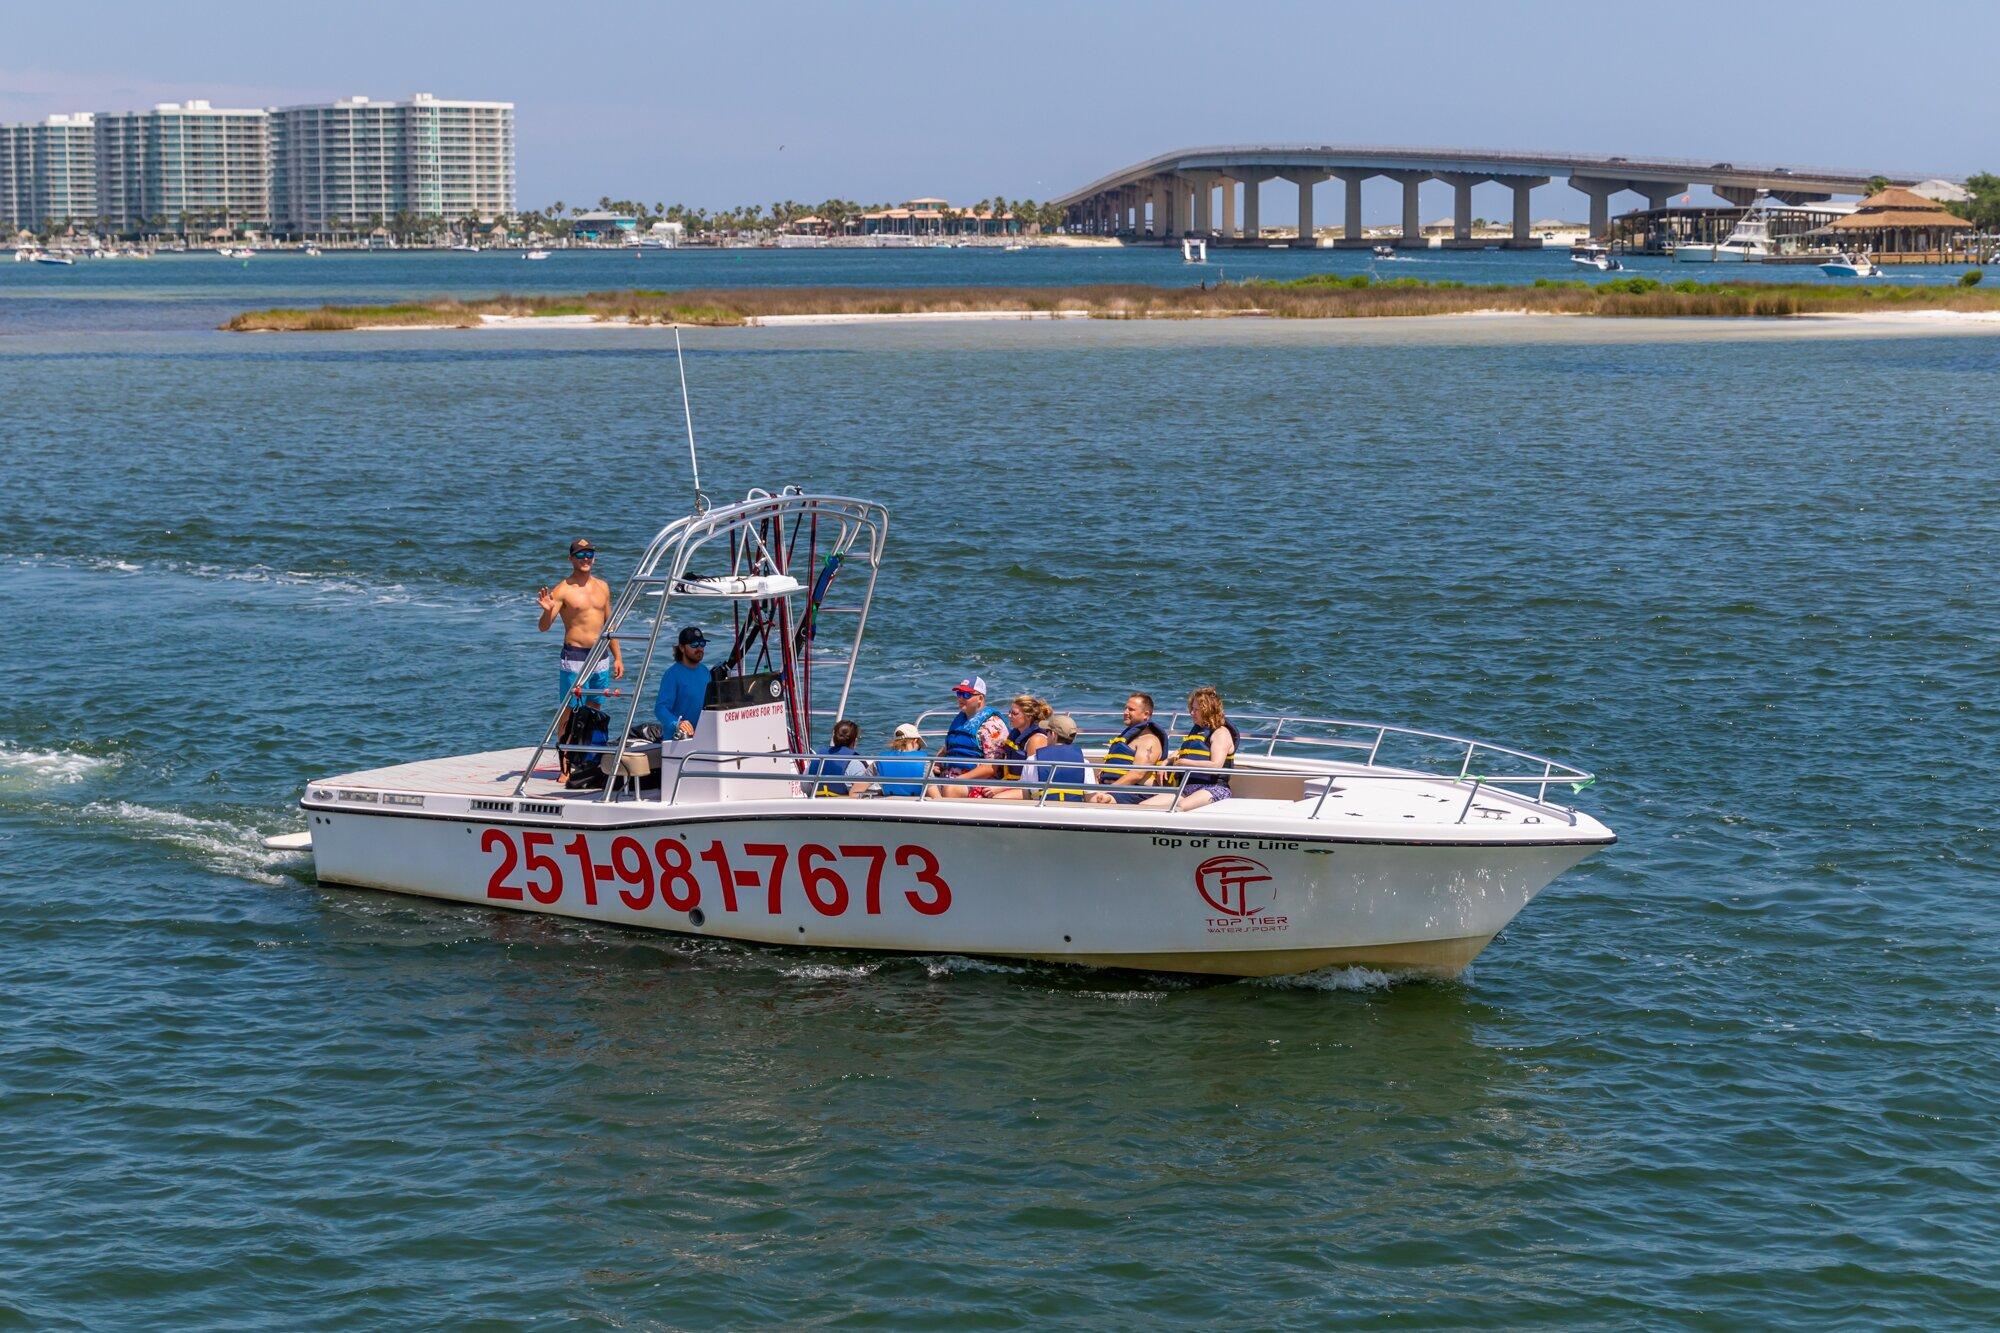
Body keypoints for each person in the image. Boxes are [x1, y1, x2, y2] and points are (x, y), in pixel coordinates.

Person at [537, 538, 623, 779]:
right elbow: (543, 627)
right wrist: (546, 611)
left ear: (594, 558)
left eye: (589, 554)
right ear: (571, 558)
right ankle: (565, 767)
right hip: (574, 656)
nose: (585, 559)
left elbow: (611, 624)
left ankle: (586, 761)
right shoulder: (562, 589)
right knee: (570, 711)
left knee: (594, 709)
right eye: (580, 555)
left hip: (600, 657)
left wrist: (618, 656)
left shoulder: (603, 587)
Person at [1139, 687, 1238, 810]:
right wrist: (1166, 762)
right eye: (1192, 709)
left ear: (1207, 710)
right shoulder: (1197, 732)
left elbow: (1216, 765)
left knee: (1180, 806)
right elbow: (1182, 752)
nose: (1191, 713)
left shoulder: (1220, 733)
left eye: (1196, 710)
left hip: (1214, 788)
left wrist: (1184, 763)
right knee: (1144, 806)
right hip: (1188, 787)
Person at [1088, 692, 1168, 805]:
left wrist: (1106, 791)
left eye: (1131, 709)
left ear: (1146, 714)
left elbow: (1137, 774)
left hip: (1134, 792)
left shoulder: (1149, 741)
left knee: (1096, 800)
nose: (1125, 712)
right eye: (1125, 708)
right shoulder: (1127, 738)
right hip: (1114, 790)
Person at [934, 675, 1007, 799]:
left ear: (980, 698)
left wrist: (959, 779)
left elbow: (991, 768)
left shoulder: (993, 726)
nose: (961, 698)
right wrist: (937, 765)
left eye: (966, 695)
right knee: (919, 779)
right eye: (959, 693)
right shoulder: (961, 720)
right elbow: (949, 749)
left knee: (951, 788)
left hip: (977, 782)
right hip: (950, 776)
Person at [987, 695, 1055, 800]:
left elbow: (1033, 777)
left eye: (1014, 713)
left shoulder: (1035, 740)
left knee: (998, 798)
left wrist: (1001, 787)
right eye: (1009, 712)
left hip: (1031, 788)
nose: (1009, 716)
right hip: (1014, 783)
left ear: (1028, 716)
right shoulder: (1016, 735)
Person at [653, 625, 711, 740]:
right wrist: (677, 723)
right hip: (677, 741)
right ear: (682, 648)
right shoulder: (672, 675)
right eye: (694, 645)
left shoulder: (705, 672)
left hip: (701, 737)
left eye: (702, 644)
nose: (699, 648)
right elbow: (660, 709)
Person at [1022, 713, 1089, 802]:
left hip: (1042, 812)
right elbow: (1090, 798)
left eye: (1047, 732)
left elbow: (1026, 797)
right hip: (1073, 813)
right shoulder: (1084, 763)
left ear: (1053, 735)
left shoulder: (1032, 761)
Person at [809, 719, 868, 796]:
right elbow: (864, 792)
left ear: (834, 738)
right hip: (844, 807)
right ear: (855, 741)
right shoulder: (855, 765)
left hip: (817, 805)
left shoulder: (818, 759)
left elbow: (805, 787)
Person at [872, 723, 930, 797]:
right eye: (919, 746)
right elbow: (936, 797)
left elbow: (855, 791)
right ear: (914, 741)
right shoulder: (925, 763)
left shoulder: (878, 761)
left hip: (888, 805)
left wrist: (880, 792)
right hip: (915, 805)